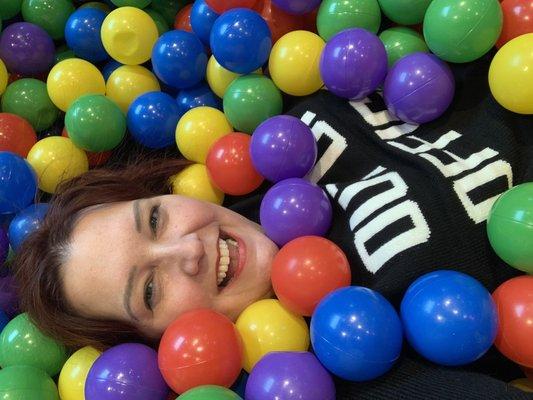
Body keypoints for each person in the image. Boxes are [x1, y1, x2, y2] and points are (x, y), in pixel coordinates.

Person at [13, 53, 533, 399]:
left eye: (154, 219)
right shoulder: (349, 363)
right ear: (153, 347)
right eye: (149, 289)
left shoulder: (268, 140)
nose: (184, 251)